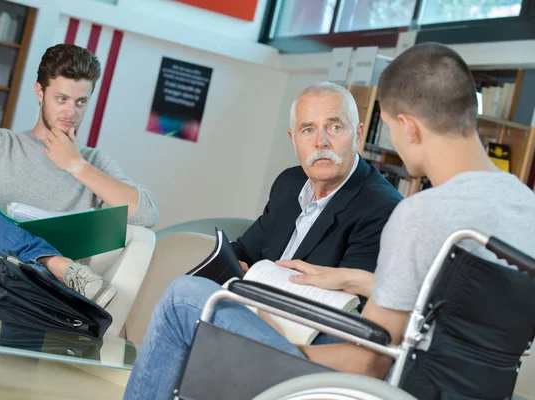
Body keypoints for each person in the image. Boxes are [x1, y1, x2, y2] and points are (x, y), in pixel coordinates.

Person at [122, 42, 535, 399]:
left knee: (184, 297)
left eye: (388, 127)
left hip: (369, 389)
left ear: (407, 127)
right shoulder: (526, 208)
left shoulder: (420, 215)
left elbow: (366, 362)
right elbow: (457, 311)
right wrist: (351, 279)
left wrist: (267, 336)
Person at [0, 44, 158, 308]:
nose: (71, 113)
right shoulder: (0, 144)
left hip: (40, 290)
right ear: (40, 92)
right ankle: (51, 261)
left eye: (81, 102)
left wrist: (77, 166)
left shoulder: (95, 162)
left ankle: (46, 265)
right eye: (62, 99)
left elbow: (146, 213)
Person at [233, 81, 401, 285]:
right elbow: (245, 250)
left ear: (358, 135)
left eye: (335, 127)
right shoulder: (289, 183)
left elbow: (348, 302)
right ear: (293, 139)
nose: (321, 141)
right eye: (308, 130)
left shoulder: (382, 208)